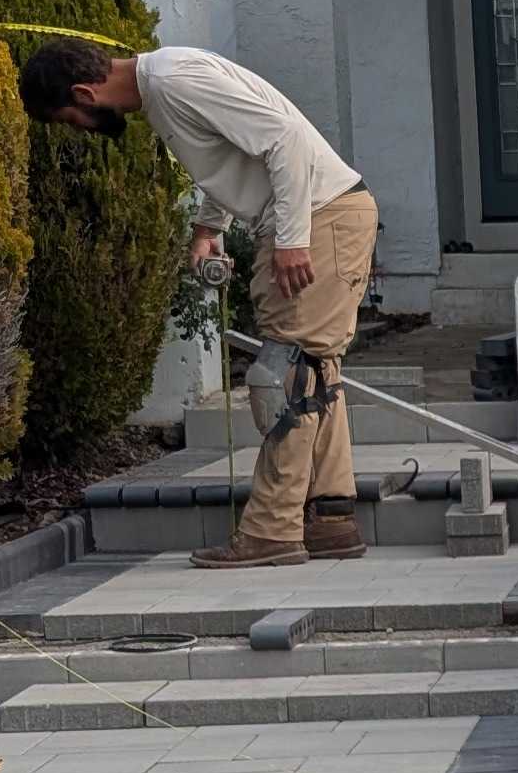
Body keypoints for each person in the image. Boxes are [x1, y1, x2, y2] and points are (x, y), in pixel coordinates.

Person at [21, 39, 377, 569]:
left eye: (71, 120)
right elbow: (236, 152)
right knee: (313, 370)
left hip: (320, 218)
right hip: (327, 214)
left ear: (84, 93)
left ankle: (272, 533)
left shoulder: (174, 83)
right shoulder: (165, 83)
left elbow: (283, 139)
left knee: (286, 375)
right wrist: (209, 227)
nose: (80, 129)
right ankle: (331, 519)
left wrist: (292, 238)